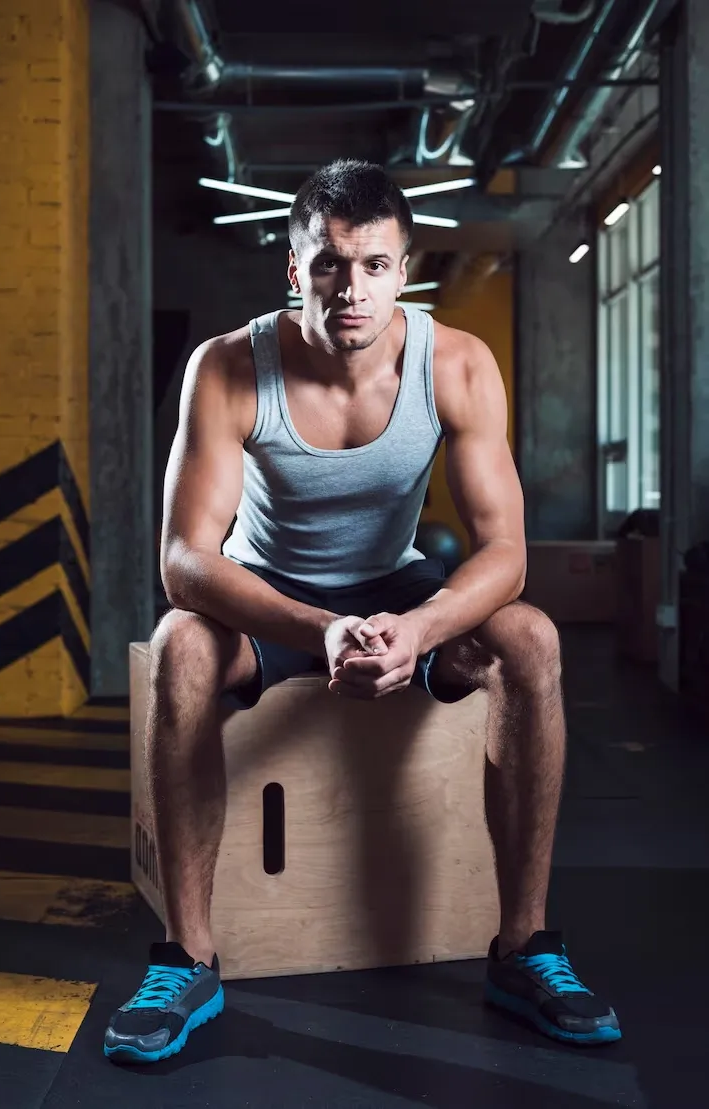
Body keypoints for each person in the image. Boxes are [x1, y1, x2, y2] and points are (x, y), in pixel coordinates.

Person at [104, 159, 621, 1064]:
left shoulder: (455, 364)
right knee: (184, 643)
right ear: (296, 269)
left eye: (375, 265)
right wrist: (320, 630)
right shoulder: (227, 367)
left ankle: (525, 946)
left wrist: (418, 629)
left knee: (530, 639)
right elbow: (185, 559)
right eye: (332, 264)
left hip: (395, 589)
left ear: (404, 270)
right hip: (266, 594)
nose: (353, 288)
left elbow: (507, 551)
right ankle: (187, 956)